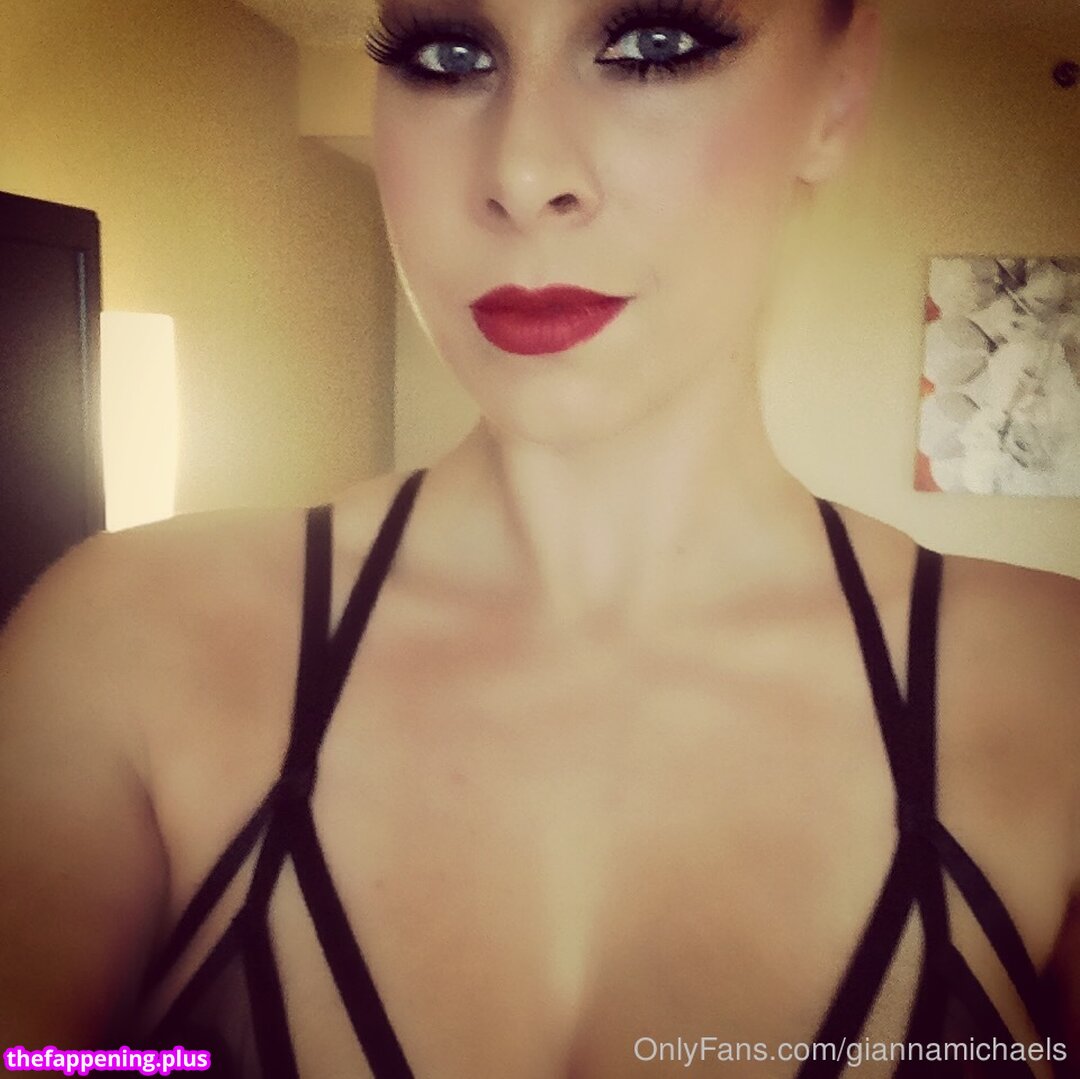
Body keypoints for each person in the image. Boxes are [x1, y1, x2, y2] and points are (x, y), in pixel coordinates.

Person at [1, 0, 1077, 1075]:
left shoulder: (1055, 682)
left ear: (835, 95)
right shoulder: (126, 640)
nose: (521, 174)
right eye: (448, 54)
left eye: (655, 45)